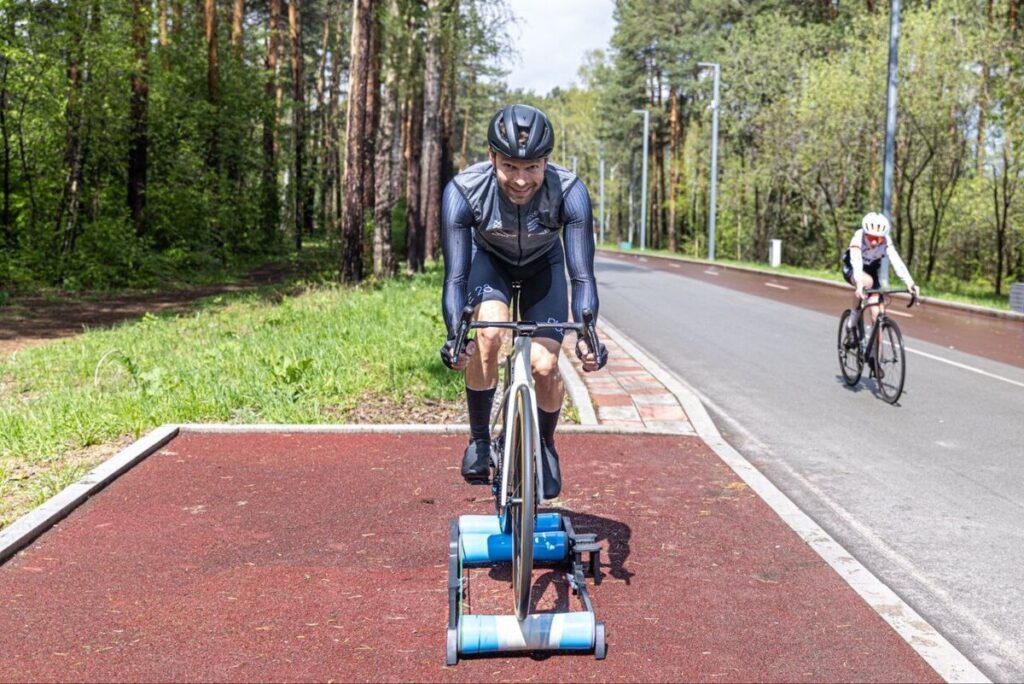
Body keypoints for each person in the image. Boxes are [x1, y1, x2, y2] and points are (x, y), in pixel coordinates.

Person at [438, 103, 607, 500]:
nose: (520, 179)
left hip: (543, 267)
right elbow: (456, 277)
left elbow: (582, 275)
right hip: (489, 264)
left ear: (546, 161)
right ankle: (480, 441)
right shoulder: (463, 191)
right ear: (492, 156)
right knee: (490, 333)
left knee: (545, 364)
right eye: (510, 166)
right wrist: (454, 335)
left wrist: (588, 334)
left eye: (532, 167)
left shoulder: (570, 191)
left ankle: (546, 446)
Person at [842, 212, 920, 376]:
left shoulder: (885, 242)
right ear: (865, 234)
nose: (875, 242)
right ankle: (851, 326)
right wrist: (859, 285)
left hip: (871, 271)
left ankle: (873, 357)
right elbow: (856, 263)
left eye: (879, 239)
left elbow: (897, 263)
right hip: (854, 268)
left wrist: (910, 283)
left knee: (877, 314)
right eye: (872, 238)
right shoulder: (858, 238)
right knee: (867, 283)